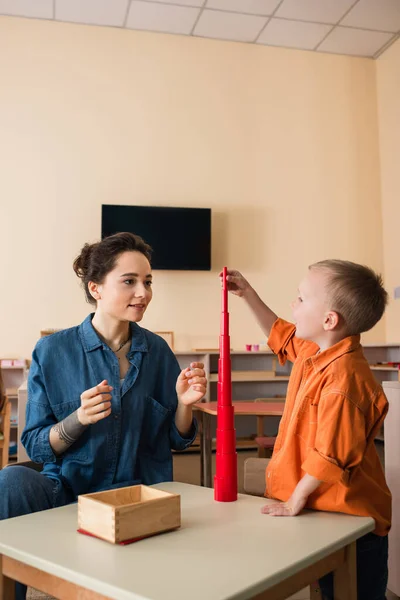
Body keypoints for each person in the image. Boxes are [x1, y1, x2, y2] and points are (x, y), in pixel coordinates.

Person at [0, 231, 206, 600]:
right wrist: (77, 418)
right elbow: (34, 443)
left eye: (147, 282)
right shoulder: (51, 351)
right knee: (11, 481)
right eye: (129, 281)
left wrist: (185, 404)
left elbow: (177, 440)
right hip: (68, 493)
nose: (143, 292)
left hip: (137, 497)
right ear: (96, 288)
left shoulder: (157, 352)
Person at [223, 260, 391, 600]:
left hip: (351, 524)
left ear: (329, 320)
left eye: (301, 299)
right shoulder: (317, 349)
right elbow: (283, 336)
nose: (292, 305)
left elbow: (331, 455)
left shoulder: (344, 380)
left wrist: (296, 499)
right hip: (326, 514)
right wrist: (249, 295)